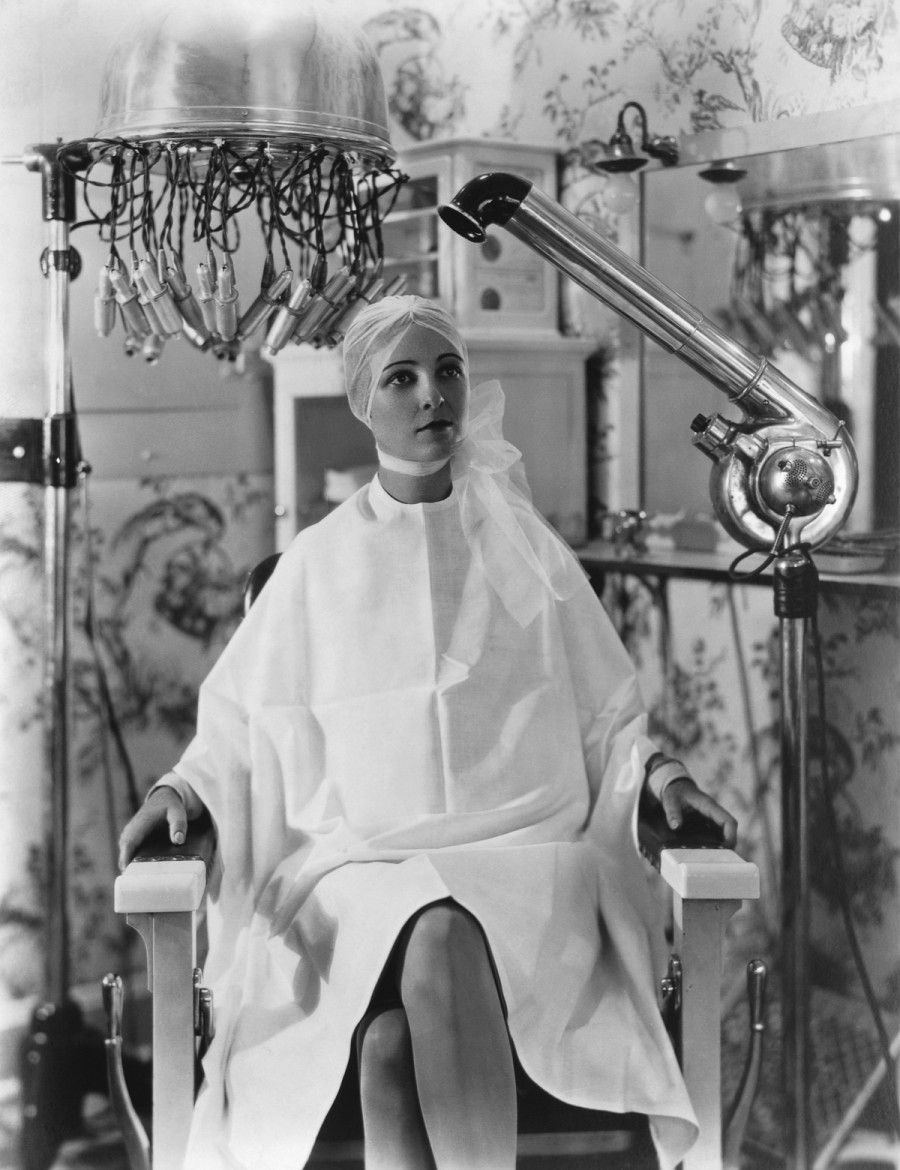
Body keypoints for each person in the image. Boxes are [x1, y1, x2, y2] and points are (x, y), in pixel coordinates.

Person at [119, 295, 737, 1170]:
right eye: (400, 378)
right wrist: (182, 790)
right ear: (362, 402)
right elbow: (238, 727)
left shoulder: (527, 549)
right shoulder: (314, 566)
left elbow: (606, 716)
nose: (430, 396)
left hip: (527, 864)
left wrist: (663, 779)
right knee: (418, 971)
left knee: (400, 1028)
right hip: (359, 873)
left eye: (446, 371)